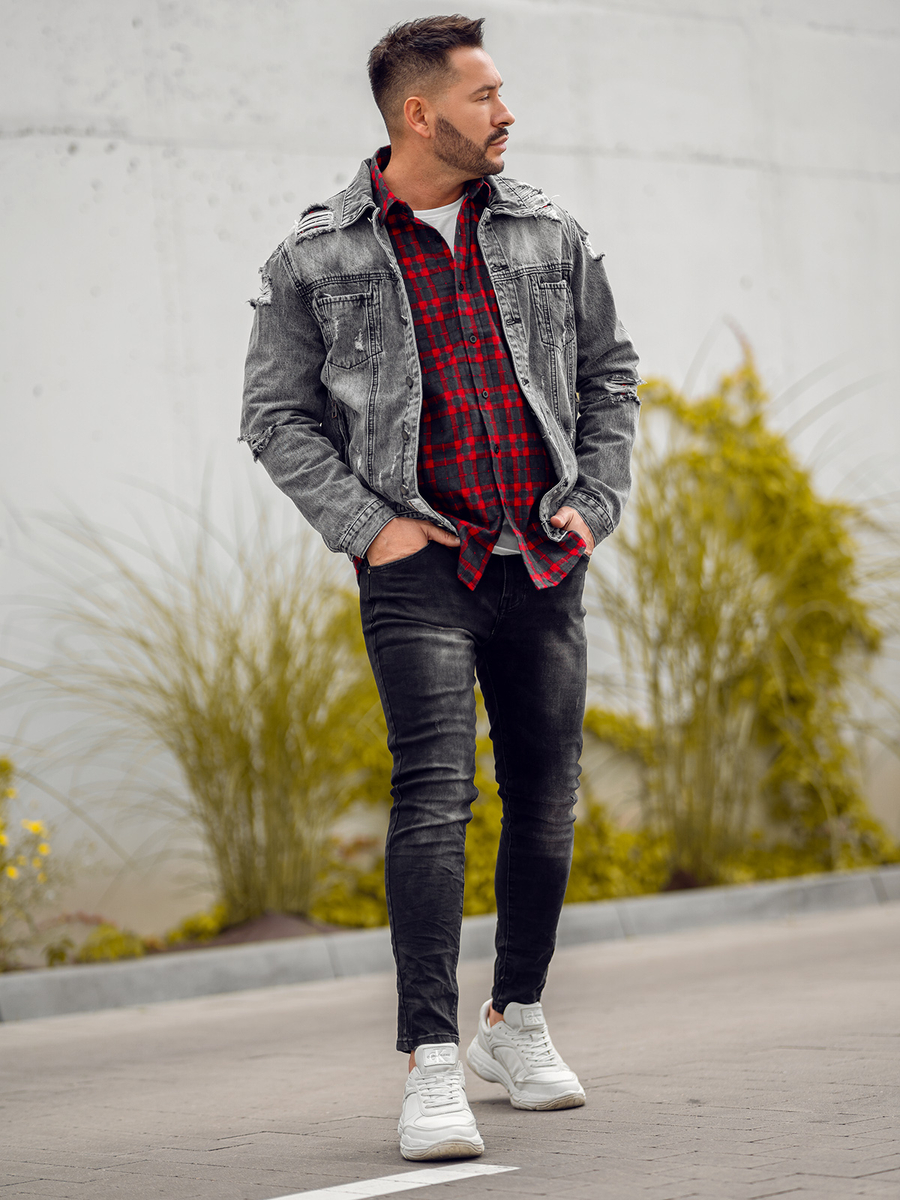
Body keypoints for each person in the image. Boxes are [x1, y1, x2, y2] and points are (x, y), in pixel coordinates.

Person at [241, 14, 641, 1162]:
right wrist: (371, 531)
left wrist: (593, 500)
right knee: (433, 798)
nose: (506, 113)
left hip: (542, 557)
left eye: (502, 93)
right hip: (422, 571)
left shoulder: (550, 232)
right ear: (420, 115)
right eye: (484, 96)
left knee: (547, 801)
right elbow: (275, 417)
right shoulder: (314, 258)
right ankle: (428, 1062)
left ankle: (513, 1022)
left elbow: (610, 375)